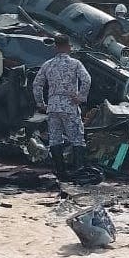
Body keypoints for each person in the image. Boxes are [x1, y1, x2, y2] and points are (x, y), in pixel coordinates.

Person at [32, 34, 92, 180]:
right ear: (68, 47)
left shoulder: (48, 64)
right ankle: (79, 171)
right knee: (77, 139)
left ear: (55, 48)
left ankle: (61, 172)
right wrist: (81, 97)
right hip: (69, 106)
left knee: (55, 139)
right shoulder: (75, 64)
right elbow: (87, 79)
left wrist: (41, 103)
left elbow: (37, 84)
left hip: (53, 107)